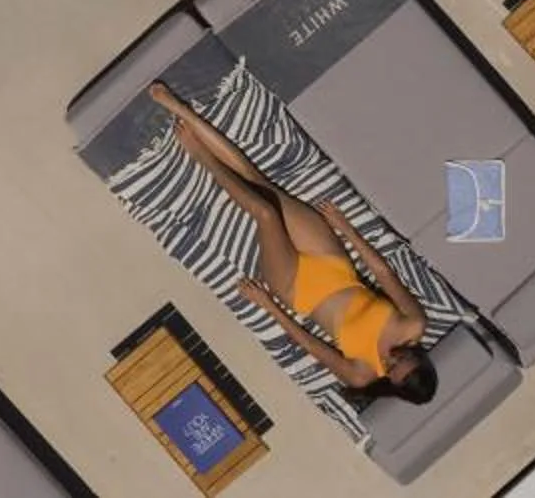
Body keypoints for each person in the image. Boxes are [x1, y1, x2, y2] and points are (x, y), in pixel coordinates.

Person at [149, 83, 439, 406]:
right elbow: (383, 272)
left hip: (296, 288)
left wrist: (268, 305)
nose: (391, 360)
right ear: (420, 356)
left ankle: (200, 155)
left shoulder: (361, 374)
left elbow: (310, 344)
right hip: (333, 264)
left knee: (265, 213)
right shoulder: (414, 323)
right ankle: (183, 111)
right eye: (402, 358)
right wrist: (345, 228)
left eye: (392, 370)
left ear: (392, 386)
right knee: (258, 181)